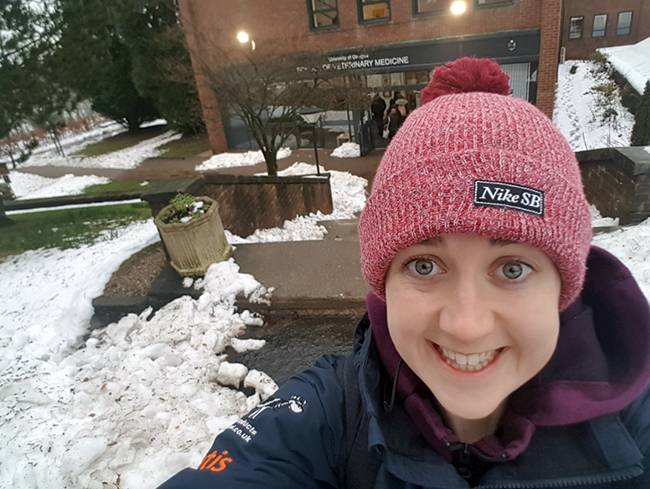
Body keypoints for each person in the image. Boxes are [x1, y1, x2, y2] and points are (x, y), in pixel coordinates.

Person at [158, 57, 650, 488]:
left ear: (563, 287)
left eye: (514, 267)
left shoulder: (636, 418)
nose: (467, 324)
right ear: (384, 281)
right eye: (424, 264)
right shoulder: (330, 412)